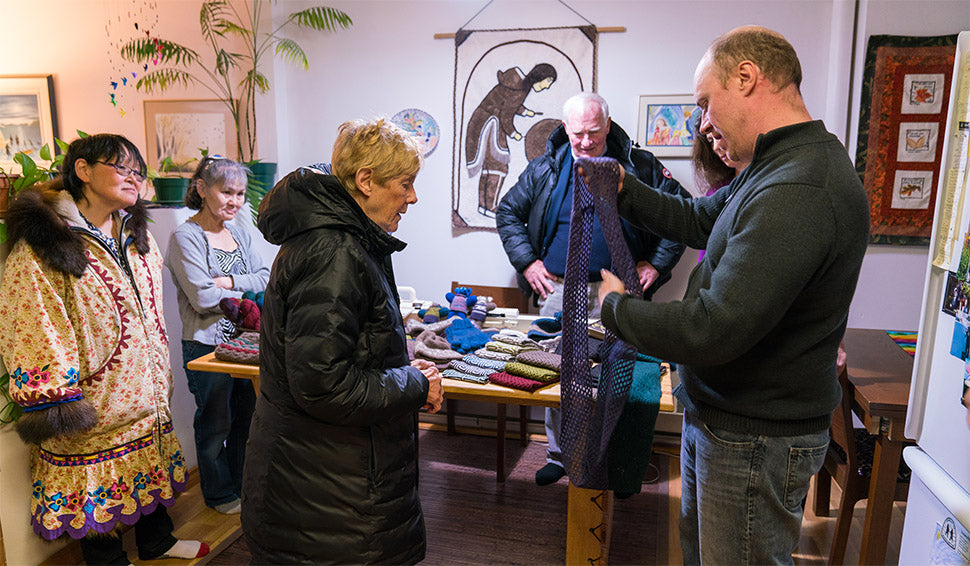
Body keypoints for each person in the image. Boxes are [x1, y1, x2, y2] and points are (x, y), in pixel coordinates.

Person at [594, 26, 870, 564]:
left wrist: (614, 308)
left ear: (747, 78)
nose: (703, 123)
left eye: (705, 103)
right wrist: (625, 189)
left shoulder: (799, 186)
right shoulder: (776, 164)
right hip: (728, 422)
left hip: (753, 440)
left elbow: (710, 328)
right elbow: (700, 219)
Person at [242, 118, 444, 564]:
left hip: (327, 489)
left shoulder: (344, 241)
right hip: (328, 499)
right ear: (366, 181)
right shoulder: (334, 251)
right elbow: (324, 385)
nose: (412, 198)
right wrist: (414, 383)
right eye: (405, 184)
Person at [0, 134, 209, 564]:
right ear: (83, 171)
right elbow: (32, 321)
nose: (135, 179)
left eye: (139, 171)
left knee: (148, 469)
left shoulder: (136, 235)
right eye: (122, 168)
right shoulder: (45, 244)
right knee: (95, 492)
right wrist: (58, 398)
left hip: (144, 393)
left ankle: (157, 542)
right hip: (94, 401)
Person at [495, 91, 689, 486]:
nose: (585, 142)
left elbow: (681, 214)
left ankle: (610, 459)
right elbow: (507, 212)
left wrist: (656, 265)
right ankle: (558, 454)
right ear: (565, 128)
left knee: (618, 376)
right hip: (558, 289)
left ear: (608, 124)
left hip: (618, 292)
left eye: (594, 133)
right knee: (558, 372)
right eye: (578, 133)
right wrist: (527, 262)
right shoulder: (546, 166)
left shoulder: (640, 165)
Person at [165, 155, 269, 515]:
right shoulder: (185, 237)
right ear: (202, 189)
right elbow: (202, 296)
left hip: (246, 345)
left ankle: (243, 486)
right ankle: (219, 493)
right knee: (214, 423)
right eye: (226, 191)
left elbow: (266, 278)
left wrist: (227, 282)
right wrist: (244, 289)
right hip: (206, 346)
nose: (234, 201)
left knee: (246, 417)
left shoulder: (239, 232)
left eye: (240, 194)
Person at [466, 63, 557, 216]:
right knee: (499, 165)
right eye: (548, 82)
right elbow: (506, 115)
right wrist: (514, 133)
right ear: (541, 77)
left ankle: (484, 205)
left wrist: (525, 112)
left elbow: (508, 102)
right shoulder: (519, 88)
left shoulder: (521, 85)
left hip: (484, 121)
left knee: (490, 164)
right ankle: (490, 206)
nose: (547, 87)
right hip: (491, 124)